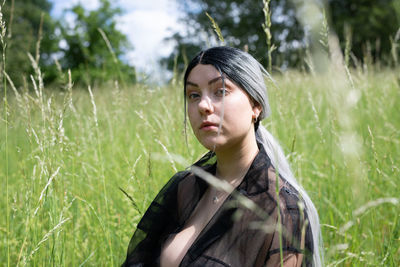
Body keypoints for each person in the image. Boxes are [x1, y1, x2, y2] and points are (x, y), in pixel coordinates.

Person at [123, 46, 323, 267]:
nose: (203, 106)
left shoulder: (282, 209)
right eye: (193, 95)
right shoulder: (187, 187)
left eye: (221, 91)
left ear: (255, 105)